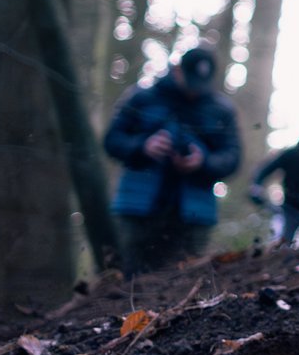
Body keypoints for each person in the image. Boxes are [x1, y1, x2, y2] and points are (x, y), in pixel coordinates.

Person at [103, 45, 242, 274]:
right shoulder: (141, 98)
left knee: (184, 278)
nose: (194, 91)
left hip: (194, 214)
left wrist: (203, 162)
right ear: (177, 70)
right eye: (190, 81)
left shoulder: (222, 110)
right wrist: (143, 147)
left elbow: (232, 158)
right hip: (138, 208)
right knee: (130, 275)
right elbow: (112, 141)